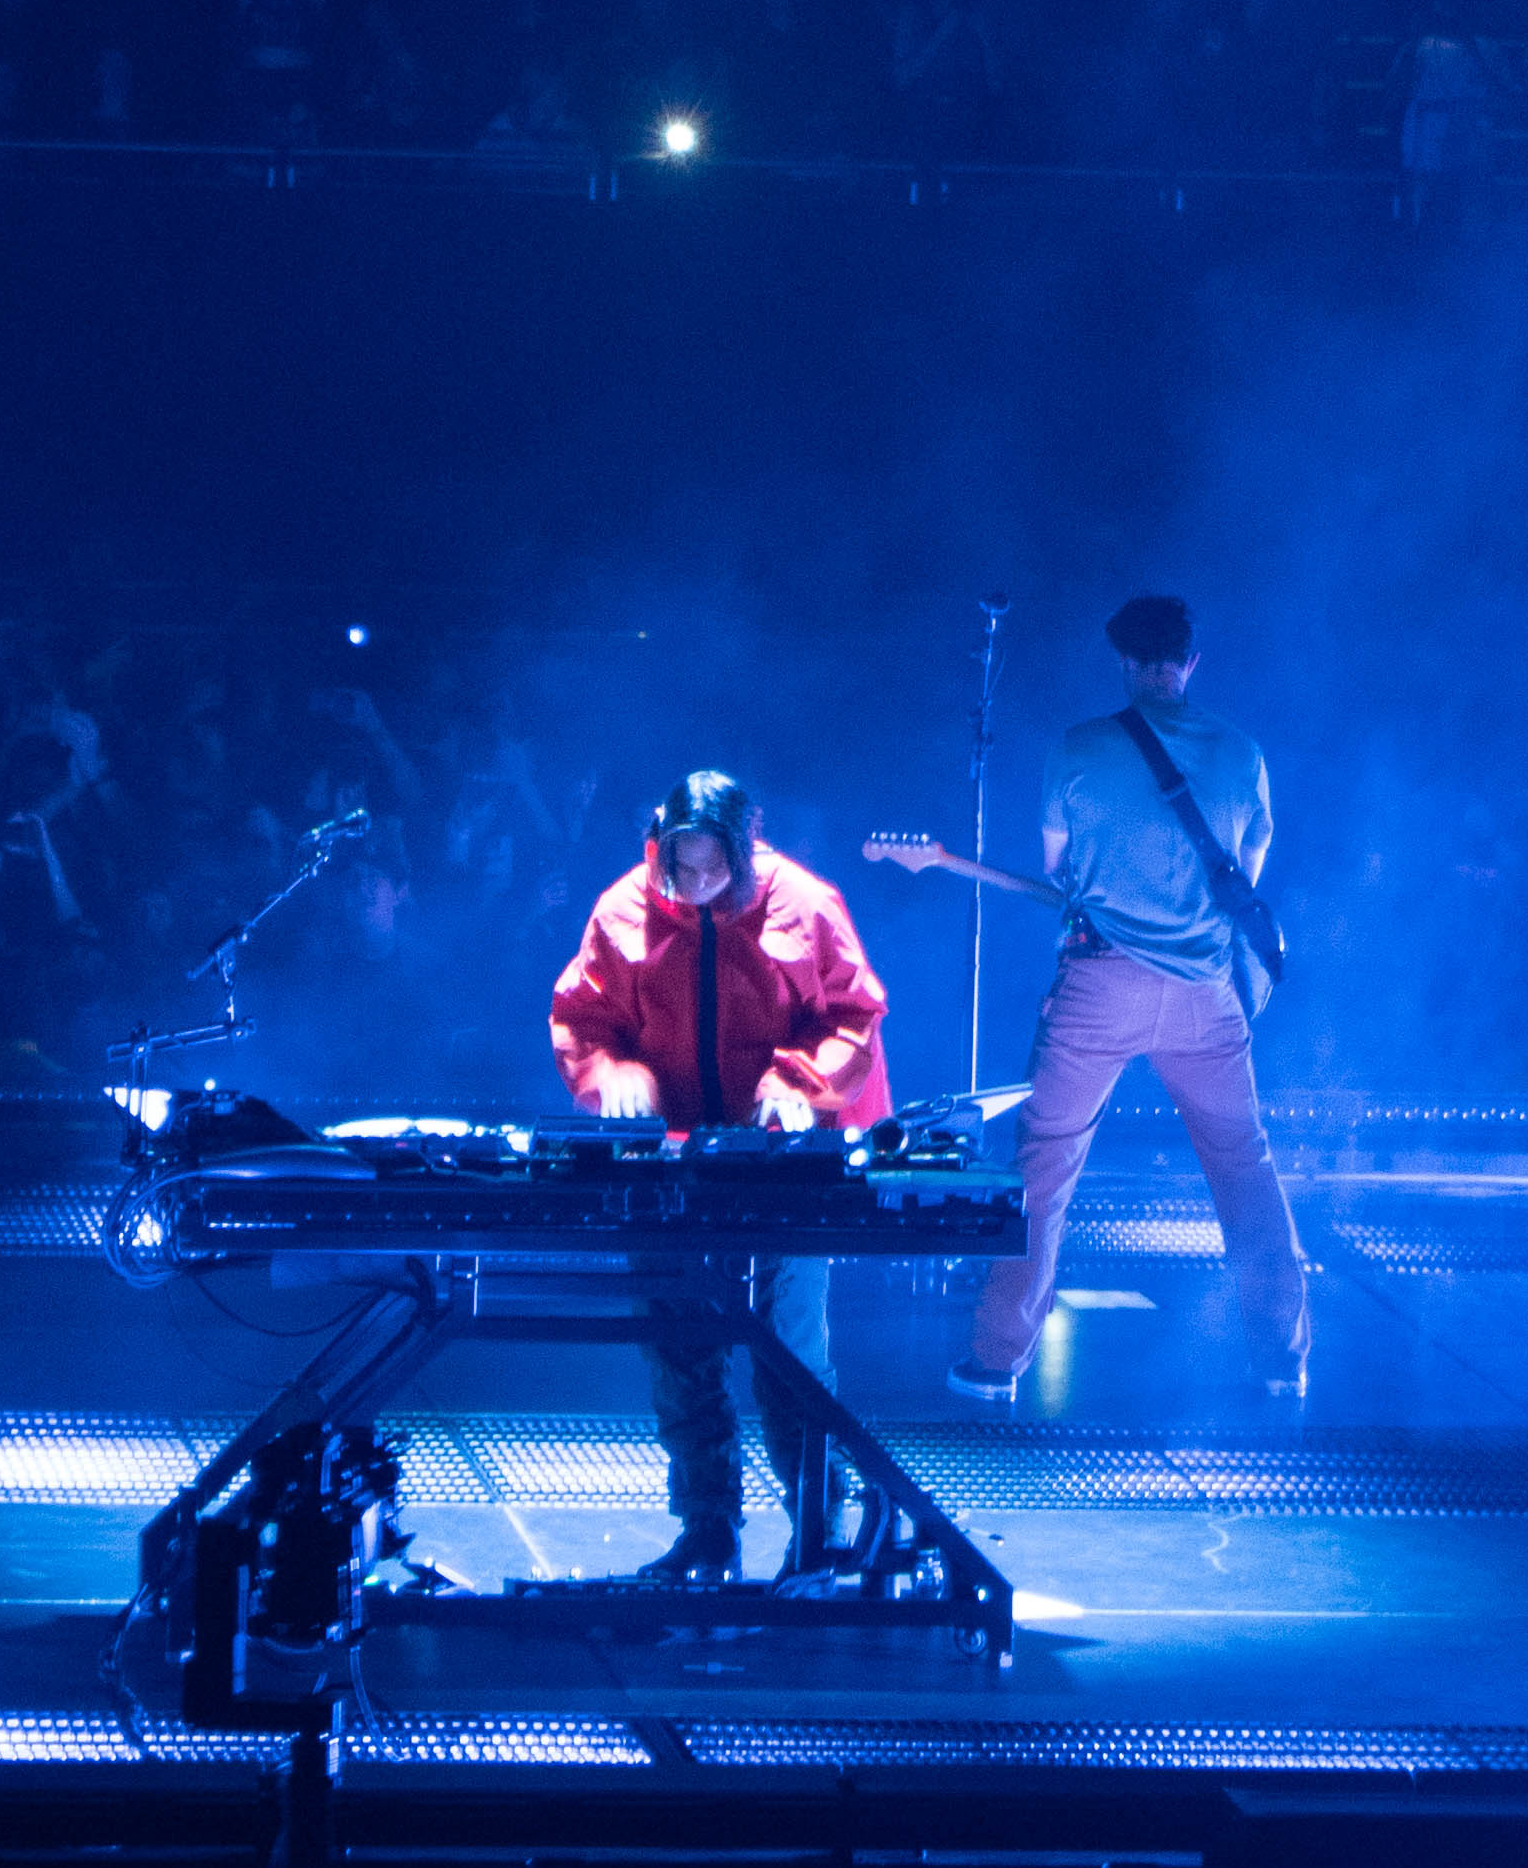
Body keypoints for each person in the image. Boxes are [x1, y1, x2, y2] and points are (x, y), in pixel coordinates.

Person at [949, 596, 1310, 1402]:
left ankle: (996, 1358)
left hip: (1099, 987)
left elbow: (1058, 870)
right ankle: (1282, 1357)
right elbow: (1246, 878)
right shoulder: (1244, 754)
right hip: (1205, 996)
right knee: (1243, 1167)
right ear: (1191, 662)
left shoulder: (1078, 749)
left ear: (1122, 662)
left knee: (1044, 1167)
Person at [549, 772, 890, 1584]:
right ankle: (708, 1531)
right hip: (672, 1166)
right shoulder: (623, 909)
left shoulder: (804, 904)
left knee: (788, 1352)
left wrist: (801, 1086)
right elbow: (582, 1021)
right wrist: (611, 1075)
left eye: (710, 870)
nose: (694, 886)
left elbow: (854, 1014)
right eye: (680, 869)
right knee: (679, 1347)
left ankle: (817, 1528)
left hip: (785, 1169)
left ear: (741, 853)